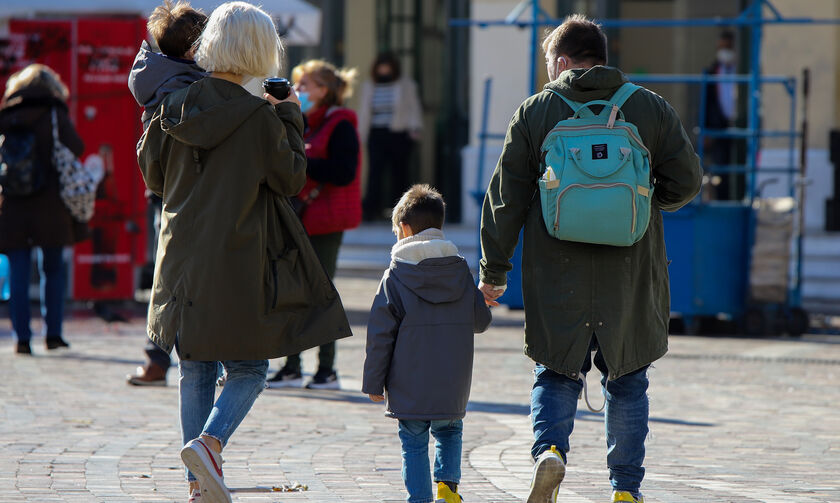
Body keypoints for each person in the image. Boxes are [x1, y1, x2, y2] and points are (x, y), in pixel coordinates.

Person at [478, 15, 702, 503]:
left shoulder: (536, 112)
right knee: (628, 379)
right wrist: (643, 202)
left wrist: (493, 271)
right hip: (631, 267)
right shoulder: (649, 108)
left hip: (557, 271)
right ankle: (624, 490)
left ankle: (550, 453)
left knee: (556, 371)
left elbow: (504, 200)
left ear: (561, 62)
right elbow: (687, 182)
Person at [137, 3, 352, 502]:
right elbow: (292, 179)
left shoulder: (174, 103)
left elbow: (152, 176)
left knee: (195, 367)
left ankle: (199, 486)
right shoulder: (259, 115)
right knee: (250, 369)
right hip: (236, 256)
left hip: (180, 255)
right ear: (261, 50)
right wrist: (291, 112)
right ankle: (209, 445)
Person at [363, 184, 492, 503]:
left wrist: (374, 383)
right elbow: (480, 322)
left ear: (404, 229)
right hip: (452, 382)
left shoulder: (395, 275)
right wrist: (482, 301)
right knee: (449, 431)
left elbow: (381, 334)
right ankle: (448, 488)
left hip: (409, 383)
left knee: (414, 442)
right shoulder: (460, 269)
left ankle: (420, 498)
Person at [266, 59, 362, 390]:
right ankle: (292, 366)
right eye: (298, 84)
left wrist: (302, 160)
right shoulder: (303, 120)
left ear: (325, 90)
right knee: (293, 292)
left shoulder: (341, 123)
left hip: (325, 220)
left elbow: (344, 171)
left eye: (305, 85)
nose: (298, 91)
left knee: (321, 293)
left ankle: (327, 370)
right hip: (299, 217)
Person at [126, 0, 208, 386]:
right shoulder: (188, 86)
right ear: (194, 49)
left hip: (165, 190)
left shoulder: (158, 74)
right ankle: (166, 357)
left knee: (169, 274)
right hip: (188, 191)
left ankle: (159, 358)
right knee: (178, 277)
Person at [0, 64, 86, 355]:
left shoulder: (6, 115)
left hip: (13, 206)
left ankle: (22, 339)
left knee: (19, 274)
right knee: (52, 270)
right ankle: (53, 334)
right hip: (51, 206)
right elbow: (76, 147)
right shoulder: (54, 113)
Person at [358, 52, 423, 221]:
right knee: (375, 173)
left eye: (387, 66)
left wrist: (414, 127)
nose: (384, 69)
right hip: (376, 133)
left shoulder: (405, 84)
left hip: (399, 133)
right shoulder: (369, 85)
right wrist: (361, 134)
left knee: (399, 173)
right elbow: (364, 112)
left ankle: (403, 210)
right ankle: (372, 209)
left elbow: (413, 106)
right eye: (381, 66)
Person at [703, 30, 741, 200]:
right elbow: (706, 102)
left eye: (728, 46)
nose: (724, 50)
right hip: (719, 128)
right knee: (720, 170)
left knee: (739, 167)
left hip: (740, 126)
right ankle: (722, 201)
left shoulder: (741, 69)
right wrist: (707, 128)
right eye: (721, 47)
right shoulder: (711, 71)